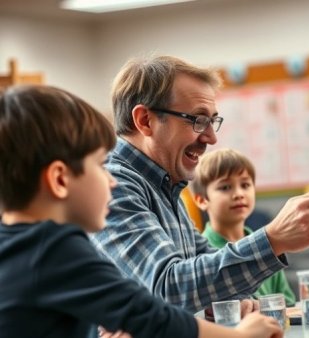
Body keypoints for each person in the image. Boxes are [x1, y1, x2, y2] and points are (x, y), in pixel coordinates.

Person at [0, 84, 282, 338]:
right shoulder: (54, 247)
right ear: (60, 179)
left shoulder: (17, 244)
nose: (110, 179)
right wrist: (239, 337)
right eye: (99, 165)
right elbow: (150, 315)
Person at [90, 55, 309, 314]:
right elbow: (168, 289)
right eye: (198, 120)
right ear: (145, 121)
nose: (211, 137)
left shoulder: (165, 186)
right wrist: (273, 239)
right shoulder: (115, 186)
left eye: (212, 120)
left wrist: (238, 299)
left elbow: (204, 265)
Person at [189, 148, 296, 306]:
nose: (239, 193)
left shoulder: (268, 245)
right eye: (225, 187)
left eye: (245, 185)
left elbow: (288, 302)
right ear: (202, 200)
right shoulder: (201, 253)